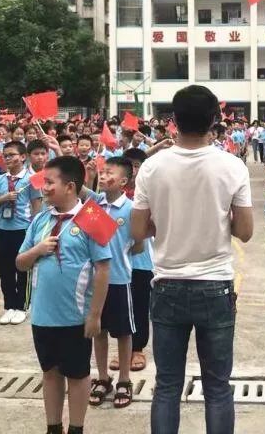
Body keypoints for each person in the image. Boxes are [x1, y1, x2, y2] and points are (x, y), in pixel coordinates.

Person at [132, 85, 253, 434]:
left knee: (167, 386)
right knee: (217, 388)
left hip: (167, 283)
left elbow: (138, 230)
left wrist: (167, 219)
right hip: (215, 284)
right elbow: (245, 232)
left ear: (173, 120)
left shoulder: (152, 167)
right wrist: (216, 215)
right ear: (215, 121)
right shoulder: (231, 166)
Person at [16, 156, 111, 434]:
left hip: (75, 318)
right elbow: (20, 262)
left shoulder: (94, 216)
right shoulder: (40, 219)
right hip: (43, 317)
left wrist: (94, 315)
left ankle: (76, 428)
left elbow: (104, 269)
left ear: (70, 186)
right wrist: (37, 250)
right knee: (50, 372)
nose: (43, 188)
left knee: (78, 374)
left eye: (49, 182)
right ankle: (53, 427)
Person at [89, 157, 138, 409]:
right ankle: (103, 376)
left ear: (124, 181)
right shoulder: (94, 204)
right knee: (98, 329)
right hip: (95, 280)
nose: (104, 175)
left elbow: (138, 244)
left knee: (122, 331)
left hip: (119, 278)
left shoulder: (130, 209)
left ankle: (124, 379)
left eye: (110, 172)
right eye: (103, 171)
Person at [0, 141, 43, 326]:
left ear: (23, 157)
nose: (8, 158)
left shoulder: (31, 179)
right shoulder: (0, 179)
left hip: (23, 230)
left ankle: (22, 306)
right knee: (4, 270)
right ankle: (9, 306)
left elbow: (37, 205)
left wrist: (34, 231)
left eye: (12, 155)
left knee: (23, 269)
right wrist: (4, 198)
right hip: (2, 229)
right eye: (5, 155)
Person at [124, 147, 153, 372]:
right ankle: (122, 348)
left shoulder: (152, 194)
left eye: (137, 166)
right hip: (116, 262)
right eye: (129, 166)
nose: (133, 171)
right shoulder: (113, 195)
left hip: (143, 260)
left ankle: (138, 349)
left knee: (140, 305)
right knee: (119, 307)